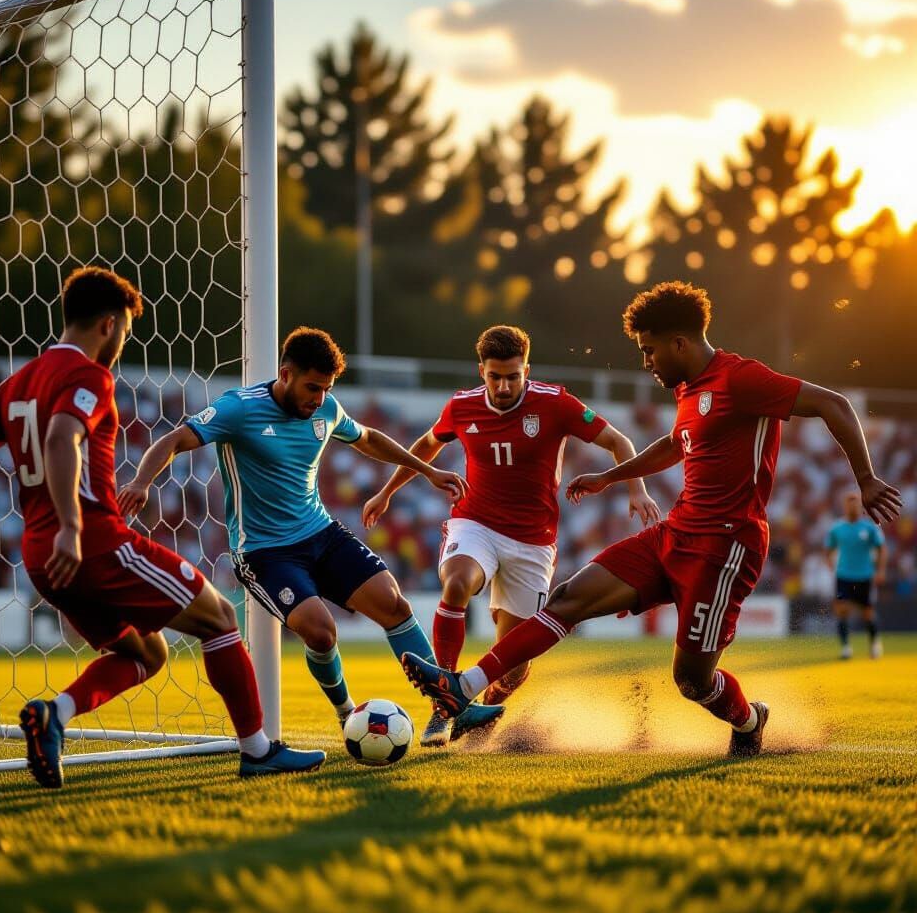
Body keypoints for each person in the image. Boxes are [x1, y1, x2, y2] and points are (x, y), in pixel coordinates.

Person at [402, 281, 902, 757]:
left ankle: (750, 722)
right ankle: (462, 687)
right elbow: (672, 446)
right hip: (676, 533)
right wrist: (610, 477)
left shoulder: (742, 379)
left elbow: (833, 403)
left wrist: (867, 478)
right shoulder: (689, 389)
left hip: (726, 548)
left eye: (649, 350)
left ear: (679, 343)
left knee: (692, 682)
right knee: (568, 599)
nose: (645, 362)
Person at [0, 266, 325, 788]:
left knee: (147, 652)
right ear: (108, 324)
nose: (123, 342)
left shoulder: (17, 383)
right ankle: (259, 751)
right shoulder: (88, 375)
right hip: (94, 544)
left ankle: (53, 715)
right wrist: (71, 526)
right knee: (218, 617)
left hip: (40, 557)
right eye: (125, 330)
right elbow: (62, 439)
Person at [118, 327, 504, 741]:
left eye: (326, 389)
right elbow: (176, 440)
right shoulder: (239, 409)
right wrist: (142, 482)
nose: (319, 398)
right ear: (285, 374)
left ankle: (447, 708)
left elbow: (368, 438)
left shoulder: (326, 409)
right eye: (312, 387)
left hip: (321, 533)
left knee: (394, 604)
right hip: (265, 552)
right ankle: (345, 714)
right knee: (320, 631)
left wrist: (426, 470)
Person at [363, 324, 660, 746]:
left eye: (513, 376)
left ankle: (480, 721)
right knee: (456, 583)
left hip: (533, 542)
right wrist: (386, 492)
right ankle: (442, 706)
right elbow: (426, 445)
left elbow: (619, 440)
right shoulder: (461, 407)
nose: (503, 386)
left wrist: (636, 487)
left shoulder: (555, 403)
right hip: (476, 523)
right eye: (494, 376)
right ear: (480, 371)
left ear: (527, 370)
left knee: (516, 667)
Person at [826, 490, 887, 659]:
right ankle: (846, 647)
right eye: (849, 502)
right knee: (842, 610)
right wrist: (830, 563)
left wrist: (880, 570)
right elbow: (829, 548)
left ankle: (874, 643)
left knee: (867, 612)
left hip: (865, 575)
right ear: (844, 506)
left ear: (860, 506)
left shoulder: (869, 527)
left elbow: (881, 549)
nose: (852, 505)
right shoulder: (837, 528)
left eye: (855, 502)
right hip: (844, 575)